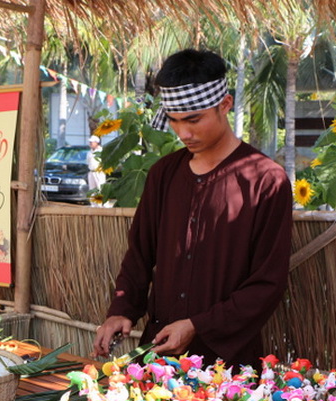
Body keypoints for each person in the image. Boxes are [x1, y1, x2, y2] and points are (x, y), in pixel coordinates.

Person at [92, 49, 293, 367]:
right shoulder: (163, 174)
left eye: (193, 120)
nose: (183, 133)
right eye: (173, 120)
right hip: (157, 358)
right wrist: (122, 310)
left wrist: (198, 326)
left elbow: (267, 283)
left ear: (225, 105)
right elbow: (140, 255)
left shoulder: (265, 180)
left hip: (228, 368)